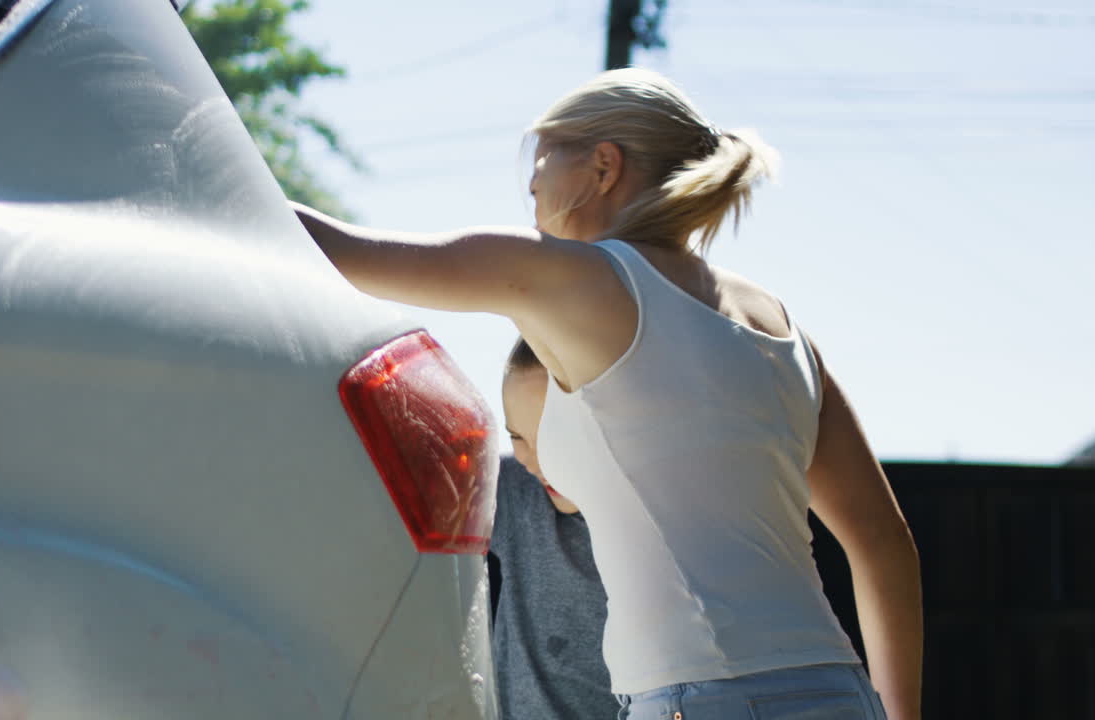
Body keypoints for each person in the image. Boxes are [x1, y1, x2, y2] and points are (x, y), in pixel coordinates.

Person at [293, 67, 922, 720]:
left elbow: (342, 252)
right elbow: (884, 543)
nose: (530, 192)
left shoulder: (579, 280)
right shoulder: (776, 323)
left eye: (538, 167)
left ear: (602, 165)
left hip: (704, 700)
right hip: (837, 695)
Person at [488, 337, 614, 720]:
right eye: (517, 436)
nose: (538, 460)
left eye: (553, 435)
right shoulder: (509, 490)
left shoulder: (678, 524)